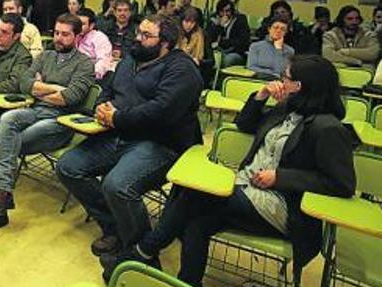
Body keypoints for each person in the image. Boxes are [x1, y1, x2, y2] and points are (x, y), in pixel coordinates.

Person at [105, 55, 356, 286]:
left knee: (195, 194)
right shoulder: (287, 109)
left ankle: (143, 251)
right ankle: (187, 281)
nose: (279, 82)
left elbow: (341, 184)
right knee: (196, 221)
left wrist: (280, 177)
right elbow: (244, 124)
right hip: (246, 187)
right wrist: (261, 95)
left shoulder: (327, 128)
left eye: (285, 78)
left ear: (299, 86)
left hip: (282, 205)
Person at [57, 14, 203, 260]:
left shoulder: (182, 68)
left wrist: (117, 118)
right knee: (68, 166)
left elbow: (162, 110)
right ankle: (114, 226)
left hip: (159, 143)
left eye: (146, 36)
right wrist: (102, 108)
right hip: (117, 134)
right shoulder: (131, 59)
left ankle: (139, 252)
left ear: (165, 42)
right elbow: (108, 89)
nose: (137, 38)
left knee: (117, 186)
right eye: (139, 32)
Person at [0, 14, 95, 237]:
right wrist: (54, 88)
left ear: (77, 36)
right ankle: (2, 197)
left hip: (60, 122)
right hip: (35, 111)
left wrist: (41, 87)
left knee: (7, 139)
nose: (59, 38)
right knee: (8, 120)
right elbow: (24, 84)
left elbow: (71, 97)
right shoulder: (45, 56)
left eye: (65, 34)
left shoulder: (84, 64)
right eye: (56, 32)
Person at [205, 0, 250, 67]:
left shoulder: (240, 20)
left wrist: (224, 42)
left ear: (232, 11)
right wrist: (219, 27)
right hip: (216, 50)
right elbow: (209, 38)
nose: (224, 14)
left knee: (227, 60)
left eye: (227, 11)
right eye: (222, 11)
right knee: (209, 58)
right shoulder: (213, 20)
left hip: (235, 52)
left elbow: (243, 41)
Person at [76, 8, 114, 81]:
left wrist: (88, 75)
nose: (78, 27)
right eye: (77, 23)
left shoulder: (99, 38)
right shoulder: (74, 35)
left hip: (93, 77)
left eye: (83, 24)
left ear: (91, 25)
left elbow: (104, 62)